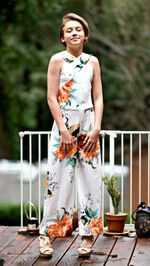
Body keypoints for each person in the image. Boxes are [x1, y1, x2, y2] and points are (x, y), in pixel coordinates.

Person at [39, 12, 104, 258]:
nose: (74, 32)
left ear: (85, 35)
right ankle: (46, 235)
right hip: (63, 124)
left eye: (78, 29)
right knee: (57, 180)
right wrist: (64, 131)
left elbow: (98, 97)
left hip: (88, 125)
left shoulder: (93, 62)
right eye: (69, 30)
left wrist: (96, 127)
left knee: (91, 181)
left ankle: (87, 237)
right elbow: (51, 97)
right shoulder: (57, 60)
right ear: (63, 37)